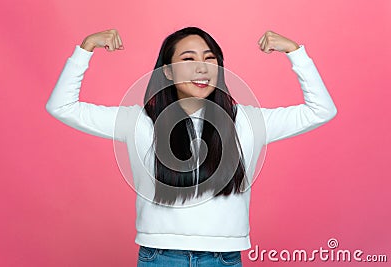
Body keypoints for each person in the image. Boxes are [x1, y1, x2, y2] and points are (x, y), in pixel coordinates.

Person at [46, 27, 337, 267]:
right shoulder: (138, 121)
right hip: (159, 256)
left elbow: (321, 110)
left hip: (224, 258)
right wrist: (85, 48)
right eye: (188, 58)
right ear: (168, 72)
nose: (201, 67)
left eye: (210, 59)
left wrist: (295, 53)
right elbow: (62, 106)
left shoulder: (247, 121)